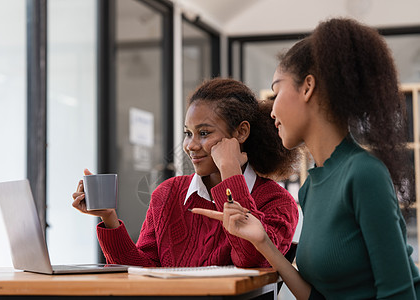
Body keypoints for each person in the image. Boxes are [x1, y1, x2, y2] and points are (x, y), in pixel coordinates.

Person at [192, 18, 420, 299]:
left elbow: (399, 294)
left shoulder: (363, 174)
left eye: (277, 91)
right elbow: (317, 297)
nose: (271, 111)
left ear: (307, 87)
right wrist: (263, 241)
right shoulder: (312, 186)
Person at [71, 78, 299, 268]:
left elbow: (251, 260)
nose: (190, 145)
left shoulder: (277, 202)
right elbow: (141, 271)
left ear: (241, 132)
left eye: (204, 133)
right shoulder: (168, 193)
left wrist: (230, 172)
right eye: (188, 133)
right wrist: (109, 218)